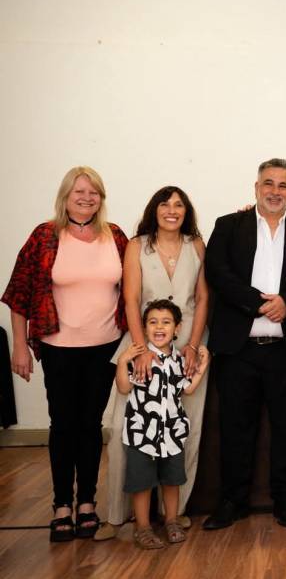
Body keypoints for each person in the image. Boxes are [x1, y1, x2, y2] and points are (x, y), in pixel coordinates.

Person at [2, 166, 128, 541]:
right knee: (63, 426)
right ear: (65, 196)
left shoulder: (116, 237)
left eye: (94, 193)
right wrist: (19, 346)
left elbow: (134, 285)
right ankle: (61, 505)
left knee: (91, 426)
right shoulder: (44, 236)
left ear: (101, 198)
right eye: (80, 192)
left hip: (105, 347)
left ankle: (87, 503)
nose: (87, 198)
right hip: (59, 348)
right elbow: (19, 293)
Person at [203, 158, 286, 530]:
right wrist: (258, 303)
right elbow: (218, 272)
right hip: (239, 350)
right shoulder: (229, 226)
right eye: (269, 184)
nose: (275, 191)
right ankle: (232, 502)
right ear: (256, 187)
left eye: (283, 185)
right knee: (236, 430)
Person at [97, 185, 210, 540]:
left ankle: (173, 513)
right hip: (143, 341)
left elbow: (204, 297)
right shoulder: (137, 245)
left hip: (188, 343)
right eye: (165, 204)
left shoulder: (196, 245)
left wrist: (193, 345)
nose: (172, 211)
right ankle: (119, 516)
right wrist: (142, 347)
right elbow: (131, 300)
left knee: (183, 431)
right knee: (122, 433)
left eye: (179, 205)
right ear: (154, 210)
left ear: (186, 211)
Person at [115, 299, 209, 550]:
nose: (159, 327)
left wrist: (203, 366)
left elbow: (187, 389)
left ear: (177, 328)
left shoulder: (178, 359)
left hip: (172, 433)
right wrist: (123, 362)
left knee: (172, 480)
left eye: (166, 322)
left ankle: (171, 520)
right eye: (153, 322)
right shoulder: (140, 358)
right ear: (144, 328)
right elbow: (124, 387)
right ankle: (143, 527)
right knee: (142, 482)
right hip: (141, 433)